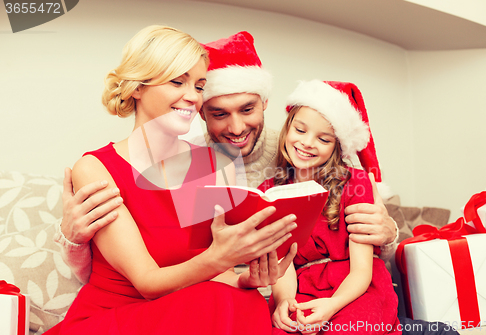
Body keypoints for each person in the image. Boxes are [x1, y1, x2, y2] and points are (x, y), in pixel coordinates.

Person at [54, 31, 398, 286]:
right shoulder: (191, 155)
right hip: (224, 292)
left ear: (265, 103)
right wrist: (73, 239)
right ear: (203, 114)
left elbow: (358, 215)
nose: (236, 128)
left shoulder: (304, 144)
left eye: (247, 109)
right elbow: (132, 270)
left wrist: (388, 233)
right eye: (219, 113)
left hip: (305, 288)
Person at [46, 25, 299, 335]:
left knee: (246, 302)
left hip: (193, 310)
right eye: (178, 82)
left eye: (199, 85)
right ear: (137, 87)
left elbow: (217, 277)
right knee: (213, 301)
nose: (192, 97)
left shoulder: (217, 166)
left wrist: (246, 280)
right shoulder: (96, 168)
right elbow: (148, 282)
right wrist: (220, 257)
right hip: (118, 317)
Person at [264, 80, 400, 335]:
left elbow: (362, 270)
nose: (307, 143)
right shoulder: (270, 189)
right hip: (299, 288)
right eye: (300, 130)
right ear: (288, 127)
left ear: (336, 146)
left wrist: (332, 305)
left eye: (323, 139)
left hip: (355, 289)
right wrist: (285, 301)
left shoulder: (355, 183)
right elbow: (284, 263)